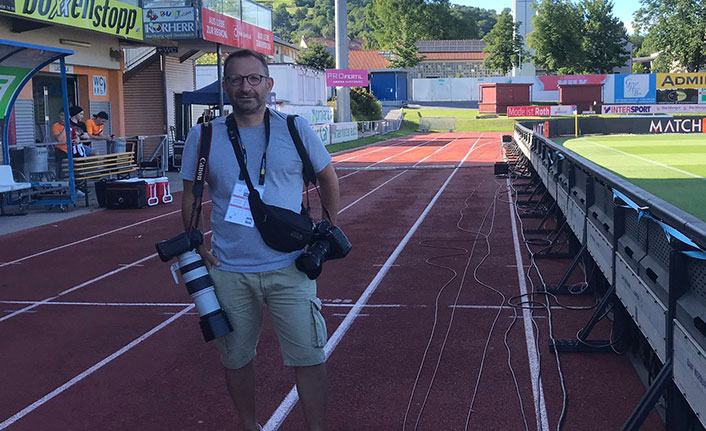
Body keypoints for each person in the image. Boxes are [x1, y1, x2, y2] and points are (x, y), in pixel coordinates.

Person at [180, 49, 340, 431]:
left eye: (253, 79)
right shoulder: (203, 136)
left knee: (309, 357)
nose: (245, 87)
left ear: (269, 84)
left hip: (291, 267)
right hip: (229, 271)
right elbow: (191, 193)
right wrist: (194, 240)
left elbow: (329, 179)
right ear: (225, 87)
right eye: (236, 80)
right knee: (235, 358)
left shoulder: (296, 128)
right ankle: (249, 426)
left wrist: (326, 231)